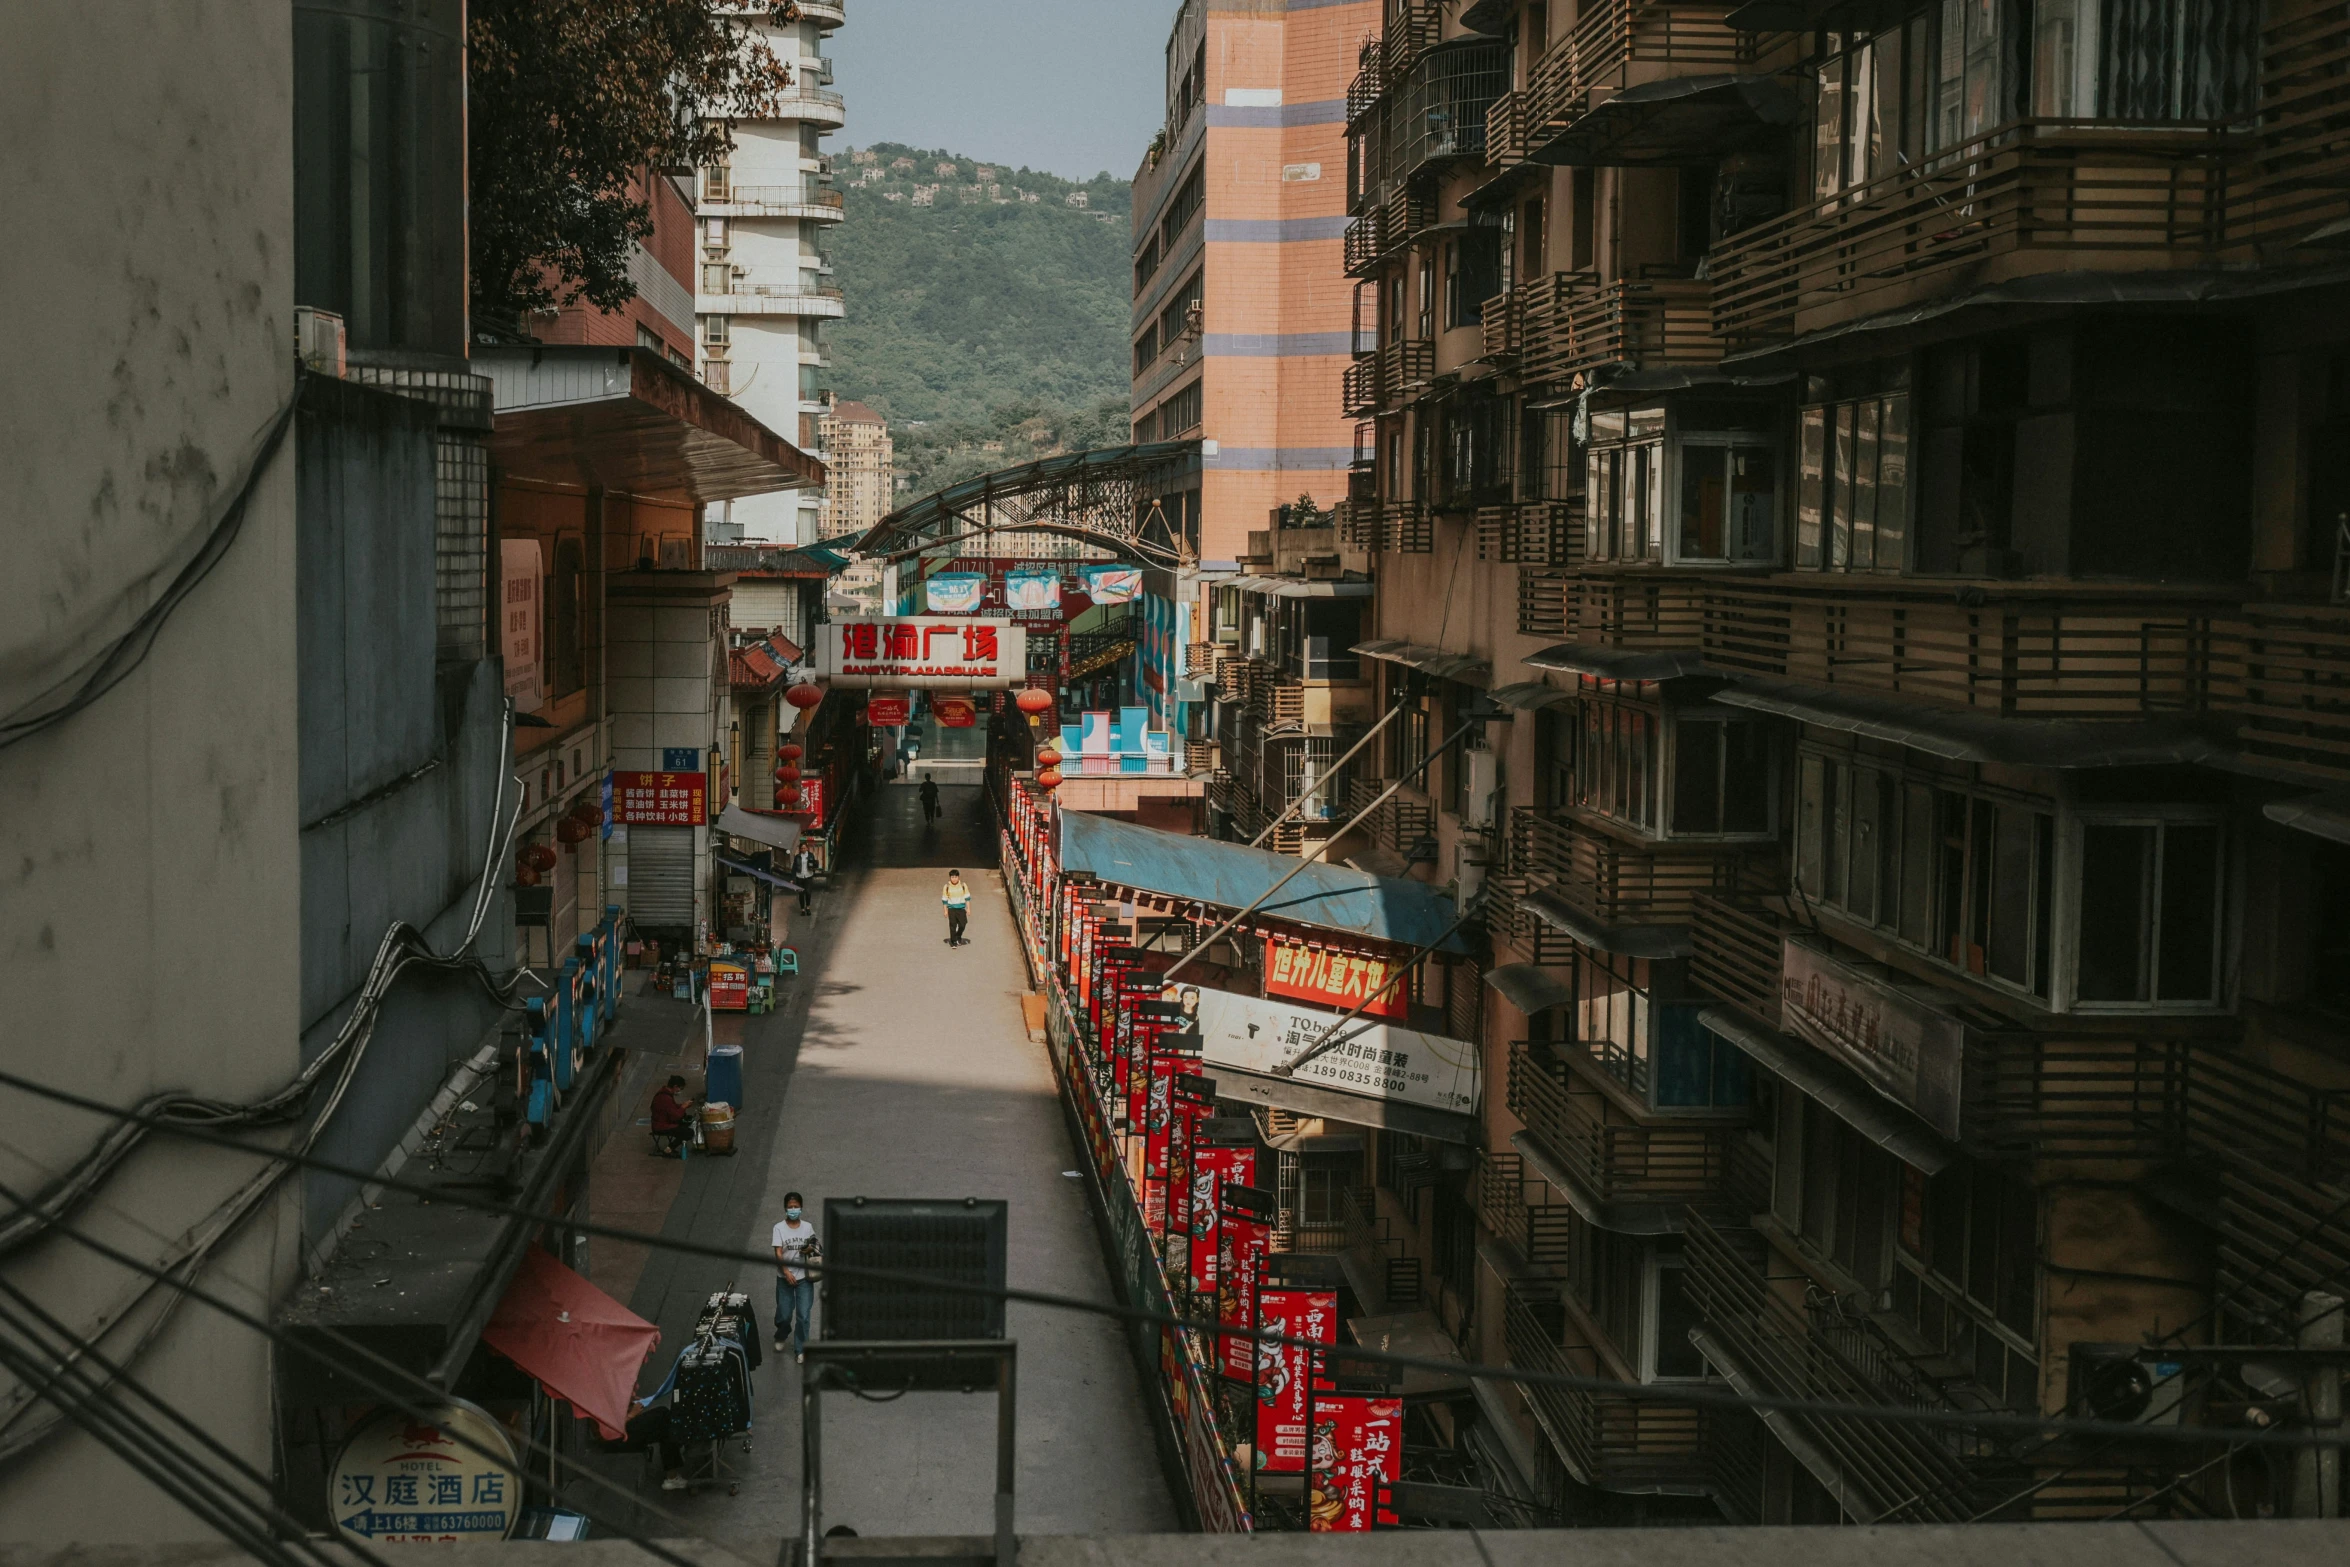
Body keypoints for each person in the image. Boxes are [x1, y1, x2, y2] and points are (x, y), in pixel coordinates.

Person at [772, 1192, 820, 1362]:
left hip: (804, 1278)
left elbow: (815, 1244)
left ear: (801, 1207)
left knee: (804, 1315)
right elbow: (778, 1252)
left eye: (796, 1206)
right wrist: (786, 1272)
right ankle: (781, 1333)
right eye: (790, 1207)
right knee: (784, 1314)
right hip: (784, 1277)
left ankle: (801, 1349)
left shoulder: (807, 1227)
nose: (793, 1209)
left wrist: (810, 1248)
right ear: (785, 1208)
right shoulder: (778, 1228)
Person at [650, 1075, 695, 1157]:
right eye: (680, 1089)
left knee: (686, 1122)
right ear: (675, 1086)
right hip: (661, 1126)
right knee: (689, 1132)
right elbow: (676, 1116)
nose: (679, 1091)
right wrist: (683, 1107)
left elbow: (671, 1108)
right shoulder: (665, 1097)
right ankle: (669, 1149)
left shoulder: (665, 1094)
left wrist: (683, 1105)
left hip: (663, 1123)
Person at [941, 871, 971, 947]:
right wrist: (945, 911)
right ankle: (953, 941)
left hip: (961, 908)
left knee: (963, 924)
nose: (954, 879)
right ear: (950, 878)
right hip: (951, 909)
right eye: (952, 877)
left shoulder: (963, 885)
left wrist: (968, 908)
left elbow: (967, 898)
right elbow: (944, 900)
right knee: (953, 925)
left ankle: (958, 935)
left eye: (955, 877)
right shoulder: (947, 886)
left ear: (958, 877)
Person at [789, 844, 818, 915]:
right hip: (800, 877)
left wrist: (813, 868)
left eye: (804, 848)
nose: (803, 849)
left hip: (808, 876)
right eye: (802, 848)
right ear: (800, 849)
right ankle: (802, 909)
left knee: (808, 892)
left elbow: (814, 864)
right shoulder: (797, 857)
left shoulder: (811, 855)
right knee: (801, 894)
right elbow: (794, 868)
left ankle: (808, 907)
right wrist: (792, 878)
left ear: (807, 848)